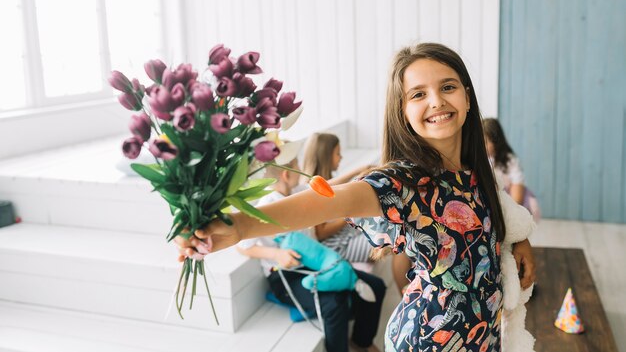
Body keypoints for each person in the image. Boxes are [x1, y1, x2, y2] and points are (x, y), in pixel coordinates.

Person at [177, 43, 536, 352]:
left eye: (448, 87)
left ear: (468, 96)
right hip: (428, 339)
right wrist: (239, 226)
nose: (437, 101)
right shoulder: (404, 182)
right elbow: (327, 201)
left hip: (483, 336)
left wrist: (518, 240)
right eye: (418, 94)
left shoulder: (475, 170)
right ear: (403, 111)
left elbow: (495, 214)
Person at [236, 157, 385, 352]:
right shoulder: (266, 207)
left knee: (376, 286)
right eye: (298, 166)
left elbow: (329, 186)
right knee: (334, 303)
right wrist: (276, 253)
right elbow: (241, 245)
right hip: (288, 276)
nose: (301, 169)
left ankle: (361, 342)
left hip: (317, 266)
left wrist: (360, 170)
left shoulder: (296, 193)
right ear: (286, 174)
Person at [302, 132, 375, 263]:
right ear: (326, 156)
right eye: (337, 153)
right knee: (397, 241)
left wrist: (360, 172)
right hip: (337, 245)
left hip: (346, 235)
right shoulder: (312, 189)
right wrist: (351, 214)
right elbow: (321, 233)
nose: (341, 157)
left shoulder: (325, 182)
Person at [483, 118, 542, 222]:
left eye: (486, 142)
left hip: (510, 201)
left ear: (496, 141)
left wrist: (511, 210)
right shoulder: (482, 160)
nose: (482, 146)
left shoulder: (509, 161)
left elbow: (517, 188)